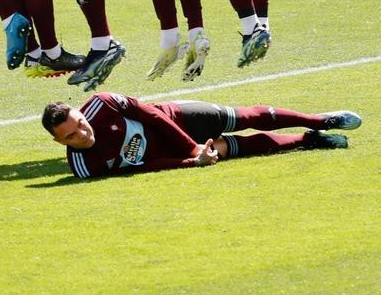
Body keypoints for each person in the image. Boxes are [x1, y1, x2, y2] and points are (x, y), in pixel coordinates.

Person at [43, 93, 361, 179]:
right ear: (60, 143)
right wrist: (192, 160)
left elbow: (152, 115)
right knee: (234, 149)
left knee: (243, 117)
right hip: (171, 152)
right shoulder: (85, 166)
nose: (83, 134)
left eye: (81, 124)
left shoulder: (102, 103)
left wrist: (191, 146)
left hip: (177, 118)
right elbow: (142, 169)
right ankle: (308, 141)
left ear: (81, 112)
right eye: (71, 137)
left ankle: (321, 120)